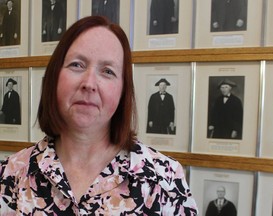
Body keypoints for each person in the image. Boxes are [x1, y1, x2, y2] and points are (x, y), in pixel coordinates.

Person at [0, 16, 198, 215]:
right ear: (54, 77)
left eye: (107, 71)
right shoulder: (11, 174)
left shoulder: (166, 180)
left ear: (123, 90)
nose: (89, 83)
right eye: (77, 65)